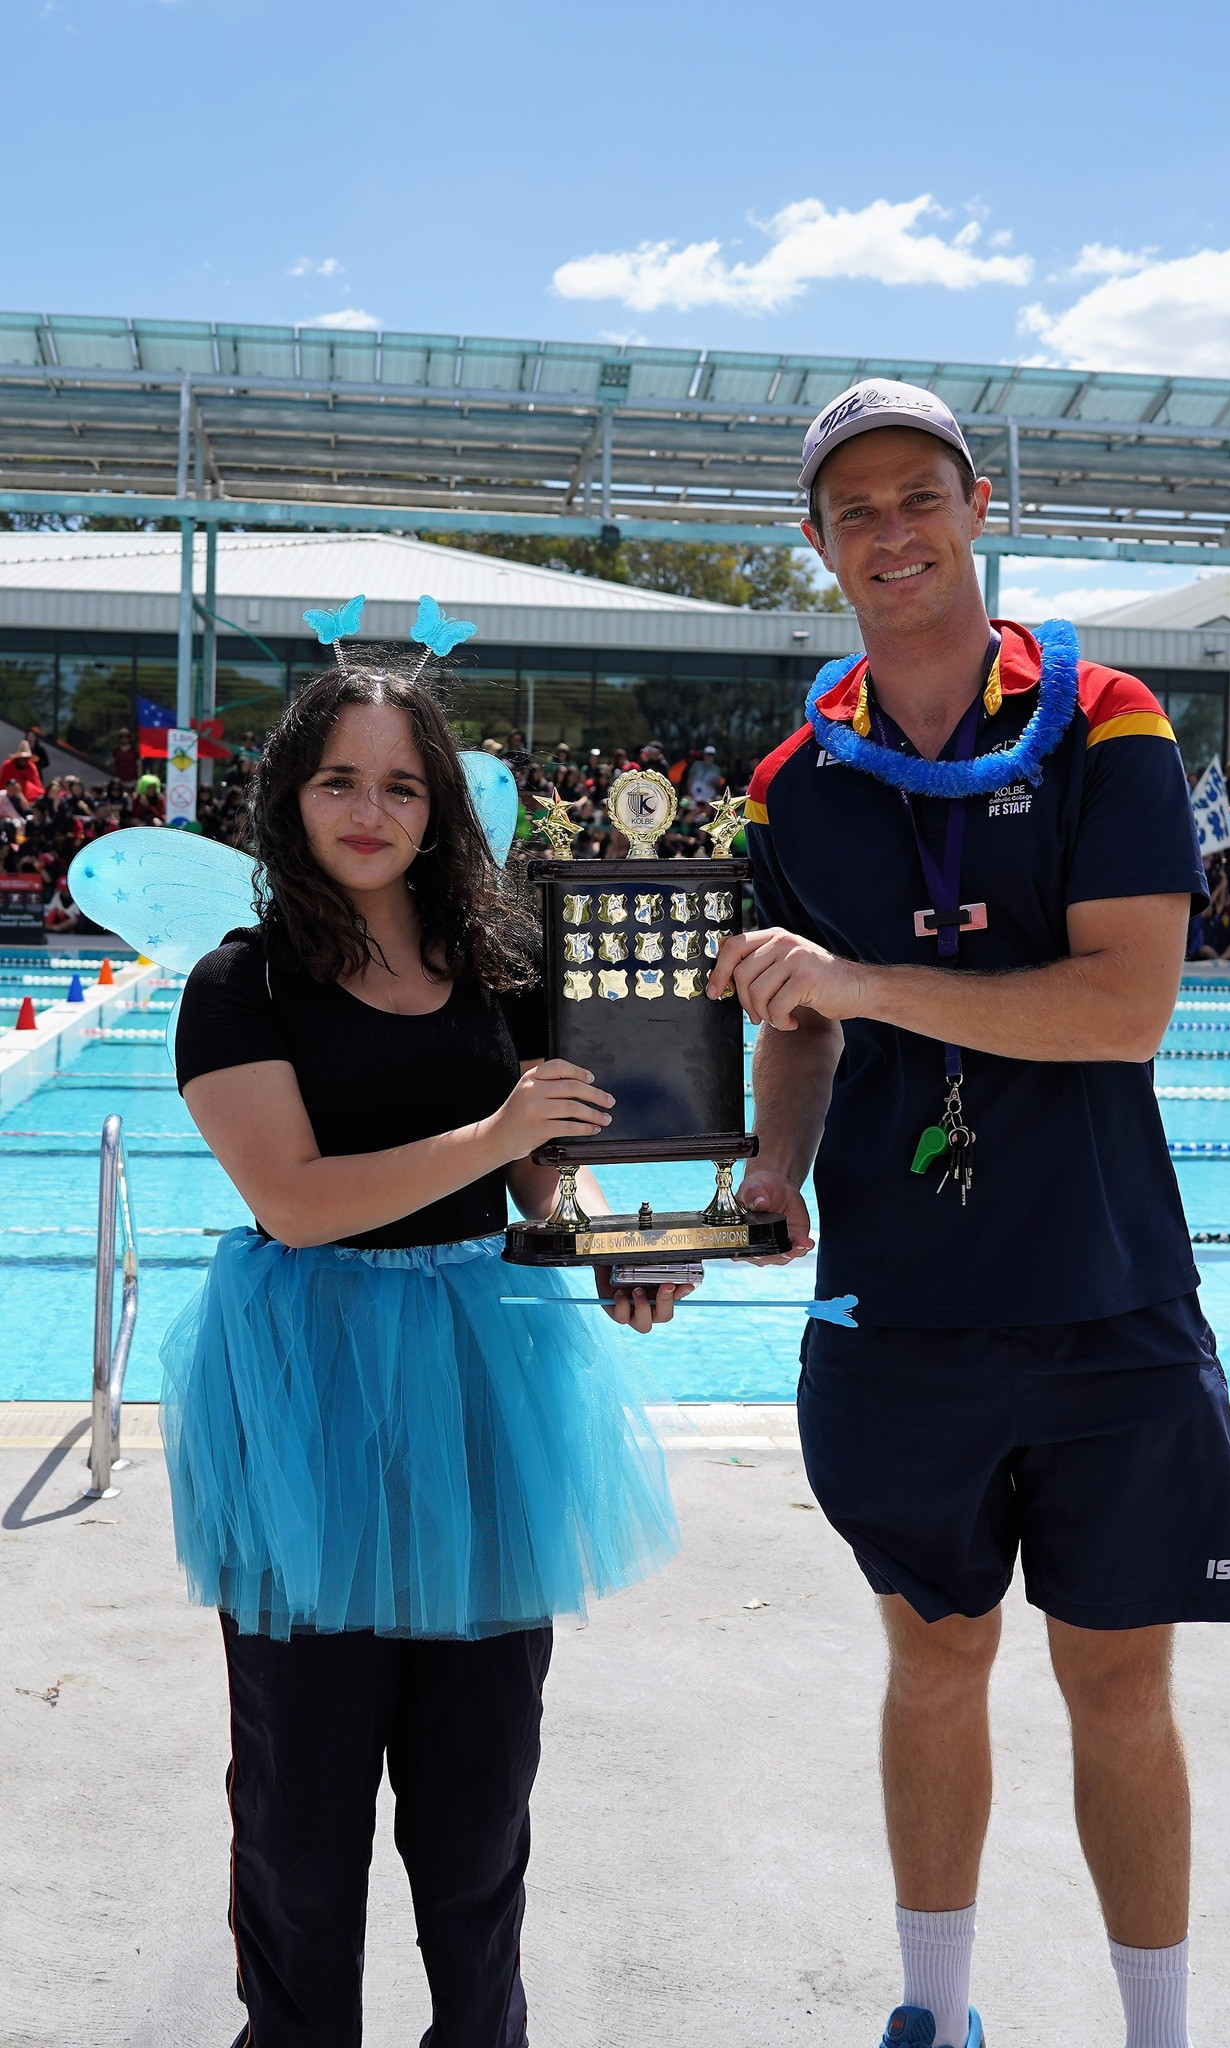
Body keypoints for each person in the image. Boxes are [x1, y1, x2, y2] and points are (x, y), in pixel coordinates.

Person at [708, 379, 1230, 2048]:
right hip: (902, 1303)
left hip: (1105, 1290)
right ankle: (932, 2016)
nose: (890, 533)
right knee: (934, 1663)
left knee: (1117, 1684)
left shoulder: (1108, 723)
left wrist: (867, 980)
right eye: (852, 511)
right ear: (817, 545)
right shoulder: (792, 782)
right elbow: (797, 1024)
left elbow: (1124, 1008)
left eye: (917, 497)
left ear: (975, 509)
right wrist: (774, 1165)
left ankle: (1154, 2033)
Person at [160, 644, 685, 2048]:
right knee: (300, 1813)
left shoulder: (500, 970)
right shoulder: (241, 984)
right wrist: (497, 1131)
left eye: (401, 786)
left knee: (479, 1805)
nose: (369, 811)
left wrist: (621, 1251)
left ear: (440, 806)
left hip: (481, 1387)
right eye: (340, 780)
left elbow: (544, 1183)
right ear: (292, 796)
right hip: (307, 1393)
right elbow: (295, 1201)